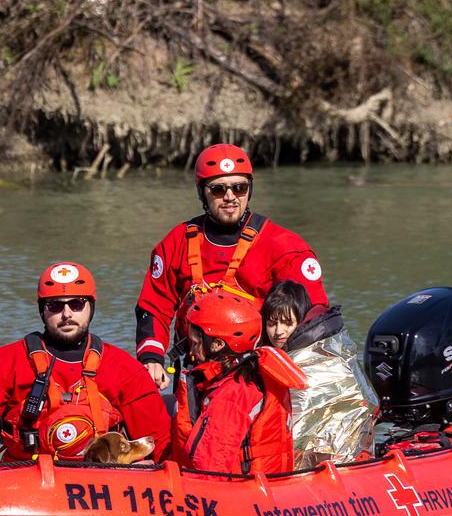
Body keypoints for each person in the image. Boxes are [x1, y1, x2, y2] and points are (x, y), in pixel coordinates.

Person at [136, 143, 329, 390]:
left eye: (239, 187)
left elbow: (314, 318)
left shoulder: (285, 247)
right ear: (202, 193)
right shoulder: (176, 242)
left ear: (249, 190)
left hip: (258, 375)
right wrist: (151, 359)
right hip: (194, 373)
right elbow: (154, 307)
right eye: (218, 189)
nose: (230, 197)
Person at [0, 262, 171, 461]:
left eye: (77, 304)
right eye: (55, 306)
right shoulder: (0, 364)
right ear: (42, 310)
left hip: (103, 479)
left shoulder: (125, 369)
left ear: (91, 307)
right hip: (25, 476)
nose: (67, 314)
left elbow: (160, 443)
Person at [171, 289, 295, 475]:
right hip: (270, 481)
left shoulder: (231, 394)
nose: (192, 350)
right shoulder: (254, 371)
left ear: (217, 345)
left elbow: (211, 468)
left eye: (196, 343)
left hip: (243, 487)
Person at [261, 280, 379, 467]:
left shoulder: (321, 354)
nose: (278, 332)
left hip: (340, 461)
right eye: (271, 323)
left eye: (287, 323)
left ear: (301, 320)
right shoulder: (267, 356)